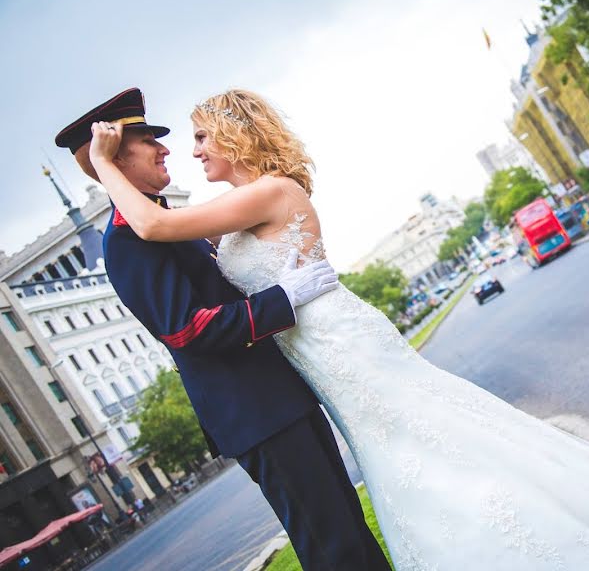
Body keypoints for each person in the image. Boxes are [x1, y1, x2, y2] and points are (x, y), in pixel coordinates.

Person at [88, 88, 589, 570]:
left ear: (236, 135)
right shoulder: (218, 208)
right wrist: (101, 170)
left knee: (443, 450)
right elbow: (164, 261)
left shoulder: (264, 194)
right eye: (175, 141)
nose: (191, 150)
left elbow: (156, 224)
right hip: (315, 360)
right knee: (423, 459)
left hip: (338, 348)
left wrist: (102, 169)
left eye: (203, 136)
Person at [54, 88, 392, 571]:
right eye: (149, 140)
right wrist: (284, 299)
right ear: (115, 157)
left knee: (345, 527)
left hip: (276, 400)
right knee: (332, 545)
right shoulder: (128, 240)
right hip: (255, 410)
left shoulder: (161, 221)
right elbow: (188, 330)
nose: (167, 148)